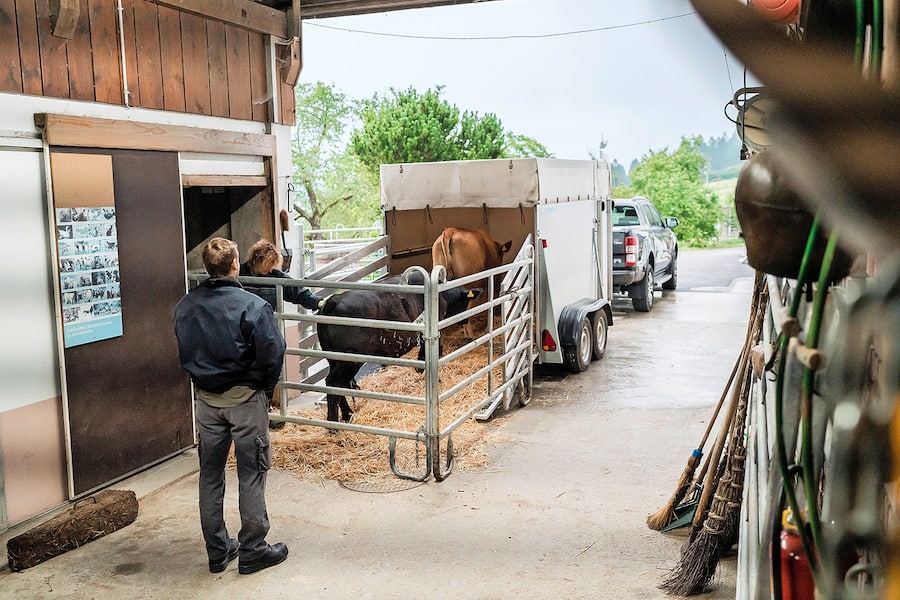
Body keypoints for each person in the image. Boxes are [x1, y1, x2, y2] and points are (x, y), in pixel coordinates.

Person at [174, 237, 289, 575]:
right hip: (245, 399)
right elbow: (273, 352)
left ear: (208, 267)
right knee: (251, 473)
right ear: (235, 264)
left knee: (209, 474)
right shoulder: (252, 306)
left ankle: (218, 550)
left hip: (206, 401)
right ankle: (253, 549)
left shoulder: (184, 305)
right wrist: (263, 391)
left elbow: (184, 348)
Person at [239, 238, 325, 311]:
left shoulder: (275, 275)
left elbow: (297, 291)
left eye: (272, 266)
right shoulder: (239, 274)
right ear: (256, 261)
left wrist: (318, 302)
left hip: (265, 321)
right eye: (266, 265)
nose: (269, 269)